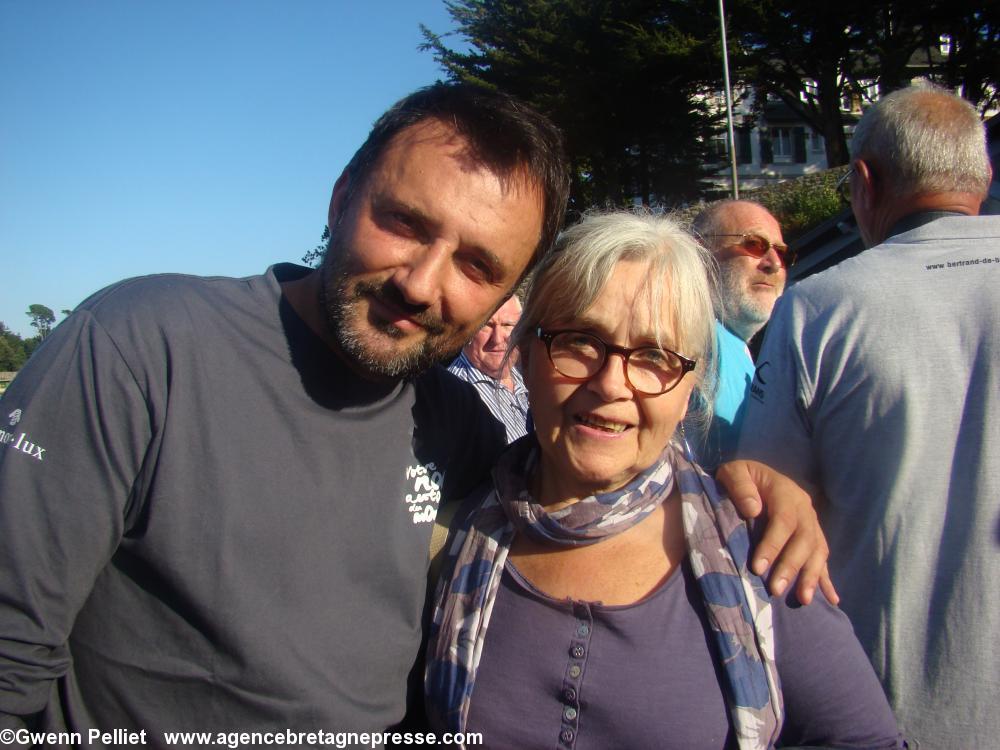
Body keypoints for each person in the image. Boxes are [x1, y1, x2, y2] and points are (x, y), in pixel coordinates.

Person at [0, 84, 827, 741]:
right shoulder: (144, 345)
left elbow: (591, 484)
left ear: (509, 295)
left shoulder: (459, 425)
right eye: (402, 223)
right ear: (339, 198)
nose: (423, 284)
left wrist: (740, 483)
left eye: (478, 264)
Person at [426, 210, 901, 749]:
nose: (611, 384)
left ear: (689, 389)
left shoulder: (756, 547)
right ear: (528, 356)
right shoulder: (452, 531)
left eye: (653, 356)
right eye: (580, 340)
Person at [736, 81, 998, 746]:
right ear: (985, 173)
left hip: (886, 709)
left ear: (862, 183)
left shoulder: (820, 307)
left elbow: (759, 499)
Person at [687, 200, 789, 471]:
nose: (774, 264)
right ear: (700, 253)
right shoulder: (691, 338)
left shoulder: (730, 344)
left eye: (783, 254)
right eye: (754, 244)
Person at [448, 295, 530, 442]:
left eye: (507, 325)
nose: (497, 339)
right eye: (486, 325)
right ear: (467, 331)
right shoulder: (452, 396)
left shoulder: (529, 375)